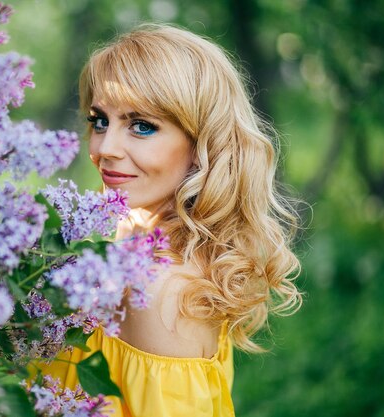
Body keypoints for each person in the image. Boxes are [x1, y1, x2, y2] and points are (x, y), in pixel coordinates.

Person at [37, 23, 302, 416]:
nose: (105, 148)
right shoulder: (134, 234)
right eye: (99, 121)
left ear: (201, 146)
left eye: (141, 126)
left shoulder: (161, 289)